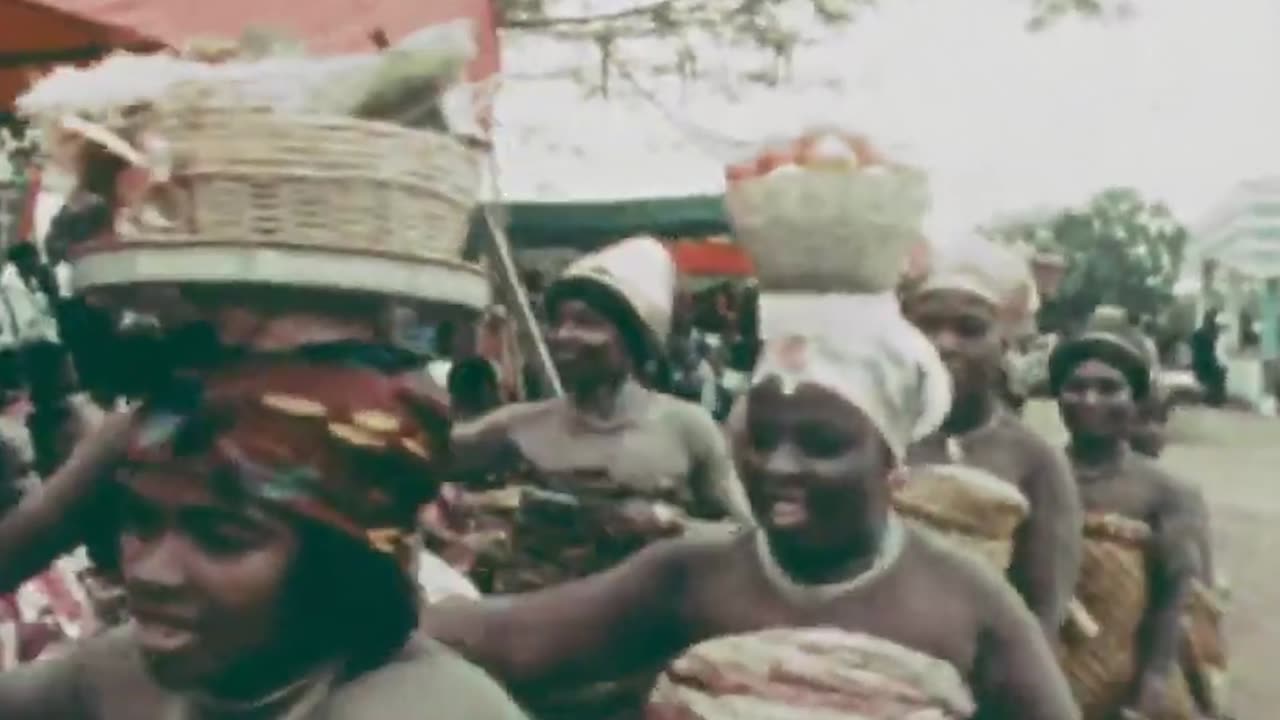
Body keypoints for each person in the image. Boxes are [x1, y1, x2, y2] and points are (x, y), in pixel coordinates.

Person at [424, 292, 1078, 720]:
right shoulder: (692, 574)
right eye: (762, 439)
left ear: (891, 464)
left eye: (821, 446)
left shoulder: (963, 600)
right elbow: (516, 639)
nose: (779, 466)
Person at [0, 347, 530, 719]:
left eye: (222, 538)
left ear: (338, 568)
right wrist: (60, 507)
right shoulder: (123, 674)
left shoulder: (428, 709)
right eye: (141, 522)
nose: (149, 572)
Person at [450, 236, 752, 592]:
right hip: (535, 623)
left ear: (634, 340)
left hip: (649, 623)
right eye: (558, 322)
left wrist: (672, 525)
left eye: (586, 322)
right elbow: (429, 459)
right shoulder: (518, 426)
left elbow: (746, 536)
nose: (563, 336)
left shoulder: (685, 427)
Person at [903, 236, 1082, 635]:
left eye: (969, 329)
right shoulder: (868, 435)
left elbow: (1042, 615)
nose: (943, 343)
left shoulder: (1035, 462)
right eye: (927, 326)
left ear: (1004, 343)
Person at [1048, 318, 1218, 719]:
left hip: (1127, 674)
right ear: (1058, 396)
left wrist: (1155, 679)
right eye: (1077, 387)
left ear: (1136, 399)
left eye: (1109, 388)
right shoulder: (1035, 473)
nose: (1090, 400)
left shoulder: (1167, 493)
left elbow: (1177, 596)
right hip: (1042, 669)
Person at [1191, 309, 1227, 406]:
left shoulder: (1204, 332)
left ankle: (1214, 398)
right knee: (1217, 374)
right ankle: (1213, 398)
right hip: (1203, 361)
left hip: (1206, 360)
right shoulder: (1202, 333)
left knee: (1220, 372)